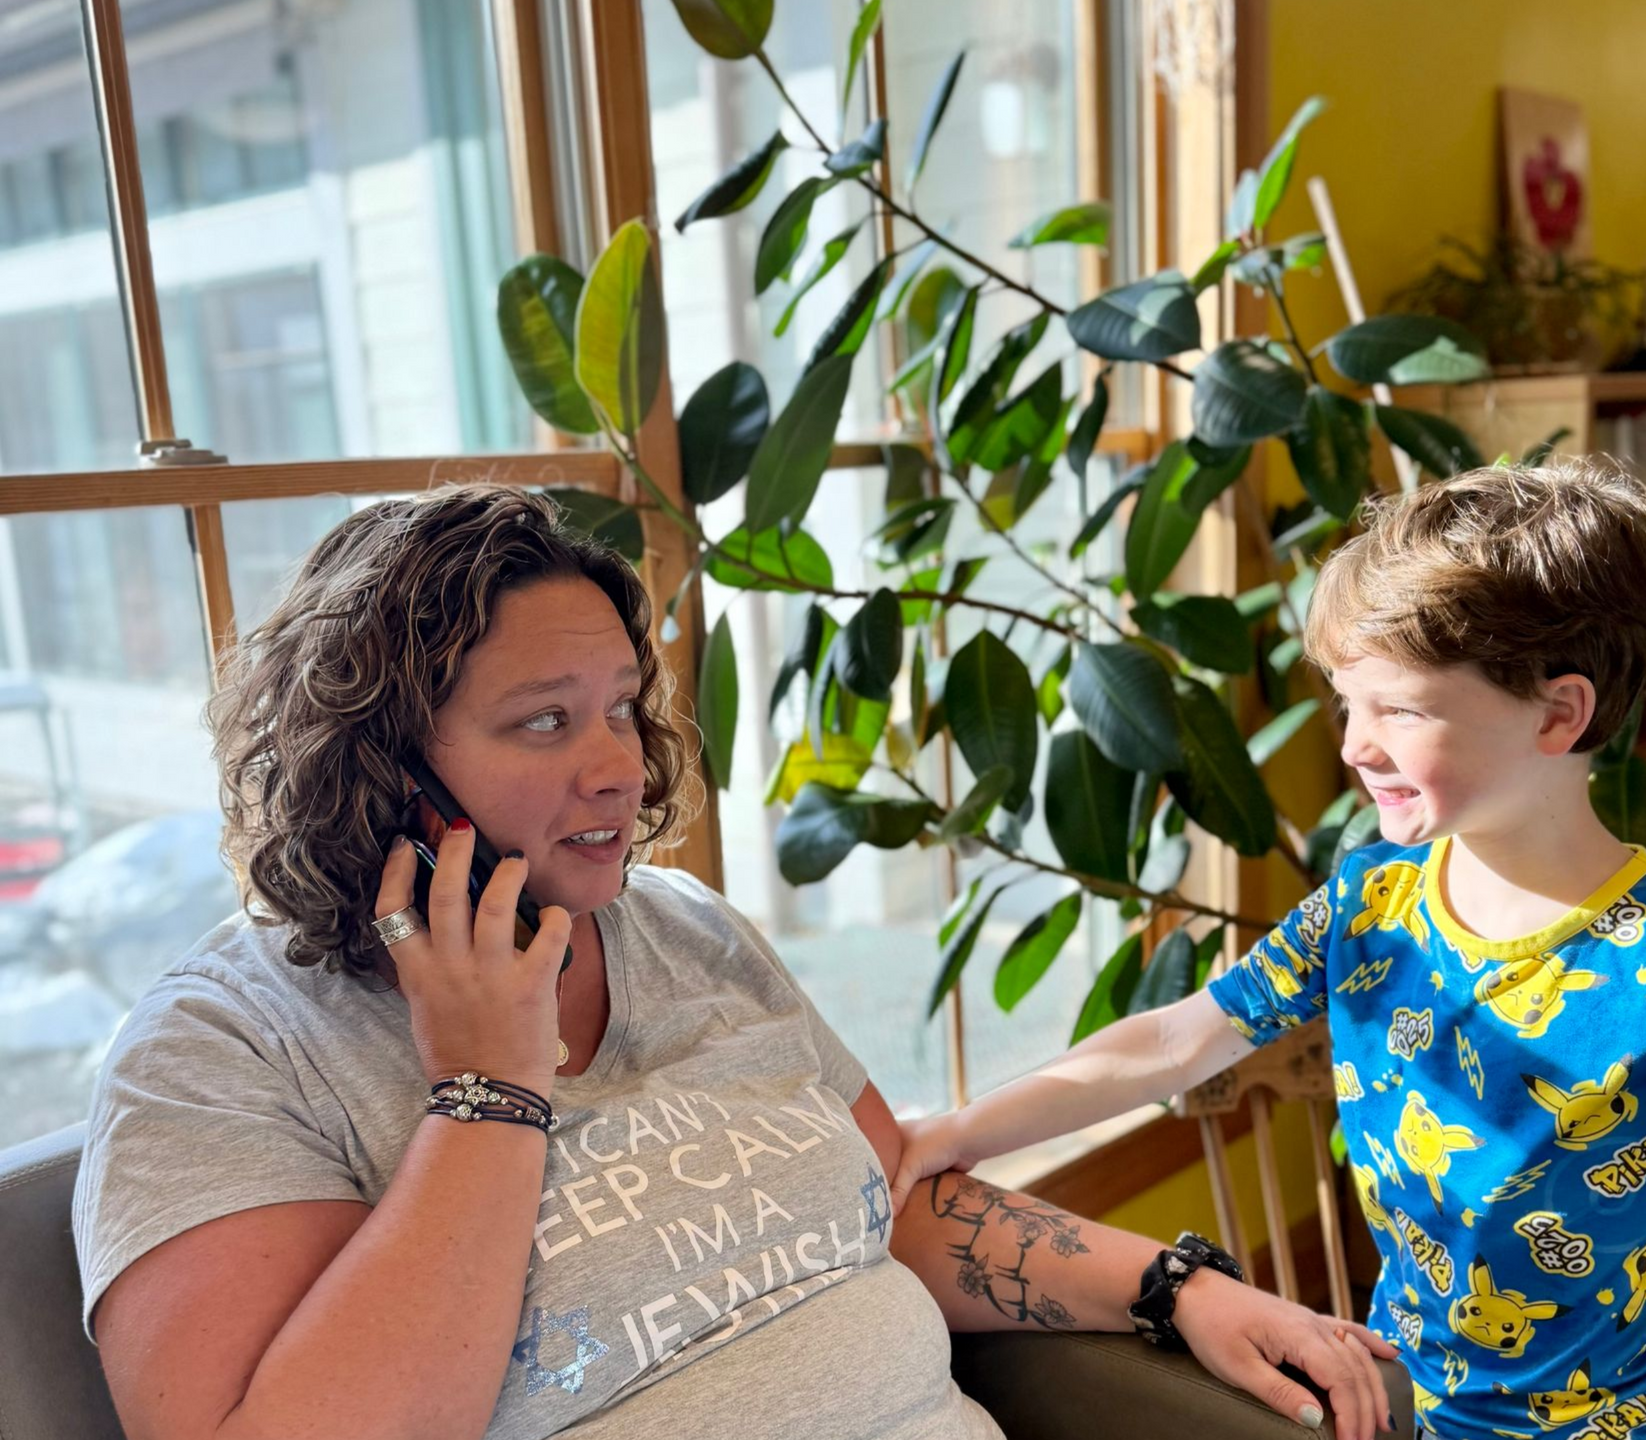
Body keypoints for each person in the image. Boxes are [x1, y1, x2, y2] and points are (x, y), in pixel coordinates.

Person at [71, 483, 1398, 1440]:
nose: (617, 765)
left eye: (618, 708)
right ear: (375, 767)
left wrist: (1174, 1285)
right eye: (543, 724)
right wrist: (487, 1090)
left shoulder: (684, 928)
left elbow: (886, 1200)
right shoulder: (222, 1057)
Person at [892, 461, 1646, 1440]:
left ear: (1558, 714)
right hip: (1396, 1408)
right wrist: (961, 1133)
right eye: (1346, 703)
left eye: (1400, 710)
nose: (1354, 747)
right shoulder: (1365, 906)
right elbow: (1173, 1044)